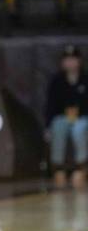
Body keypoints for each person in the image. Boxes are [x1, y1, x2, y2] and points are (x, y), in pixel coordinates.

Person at [45, 45, 88, 189]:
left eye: (73, 59)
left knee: (79, 129)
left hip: (82, 118)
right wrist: (47, 127)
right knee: (57, 125)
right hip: (63, 118)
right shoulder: (57, 81)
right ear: (63, 62)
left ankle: (81, 167)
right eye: (67, 59)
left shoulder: (85, 79)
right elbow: (50, 106)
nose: (70, 62)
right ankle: (58, 168)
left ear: (79, 61)